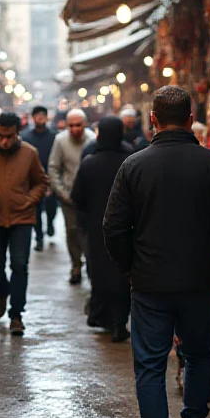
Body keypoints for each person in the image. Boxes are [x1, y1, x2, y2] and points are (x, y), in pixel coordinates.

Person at [103, 86, 210, 418]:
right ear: (191, 120)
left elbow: (113, 228)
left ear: (152, 120)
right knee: (198, 355)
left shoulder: (133, 165)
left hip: (149, 283)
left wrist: (130, 266)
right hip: (197, 281)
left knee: (149, 365)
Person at [0, 112, 47, 336]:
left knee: (19, 265)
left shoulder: (29, 153)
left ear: (17, 133)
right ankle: (3, 291)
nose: (4, 141)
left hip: (22, 218)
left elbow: (40, 182)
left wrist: (30, 200)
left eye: (9, 136)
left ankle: (16, 314)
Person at [71, 116, 132, 343]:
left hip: (98, 228)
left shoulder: (89, 162)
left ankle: (103, 317)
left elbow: (77, 197)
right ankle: (119, 321)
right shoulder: (131, 160)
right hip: (126, 228)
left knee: (100, 273)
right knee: (122, 274)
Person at [48, 109, 95, 284]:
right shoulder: (60, 140)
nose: (75, 129)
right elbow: (53, 168)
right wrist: (62, 193)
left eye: (78, 125)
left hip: (90, 198)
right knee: (72, 232)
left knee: (89, 233)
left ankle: (90, 264)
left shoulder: (92, 139)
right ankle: (76, 264)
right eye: (71, 126)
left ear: (84, 124)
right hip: (69, 196)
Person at [21, 106, 57, 251]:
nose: (40, 118)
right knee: (35, 209)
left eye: (43, 115)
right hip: (32, 178)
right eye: (37, 116)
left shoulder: (54, 136)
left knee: (51, 206)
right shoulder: (26, 136)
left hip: (50, 175)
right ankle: (39, 237)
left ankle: (50, 223)